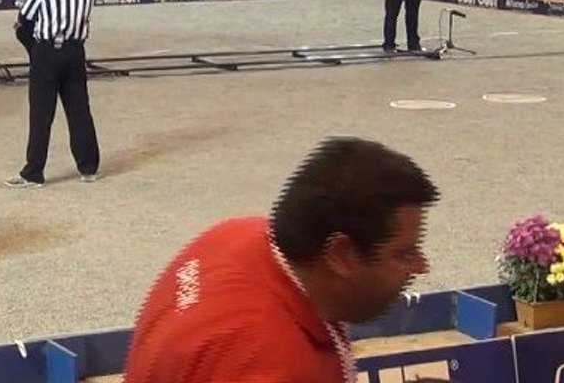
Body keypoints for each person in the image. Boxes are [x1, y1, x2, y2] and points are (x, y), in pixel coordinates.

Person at [124, 137, 439, 383]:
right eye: (404, 253)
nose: (421, 266)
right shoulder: (274, 365)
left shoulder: (238, 235)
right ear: (341, 255)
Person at [7, 0, 100, 188]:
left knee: (41, 114)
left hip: (48, 53)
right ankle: (88, 167)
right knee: (79, 110)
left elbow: (23, 20)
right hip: (75, 51)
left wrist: (34, 49)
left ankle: (33, 172)